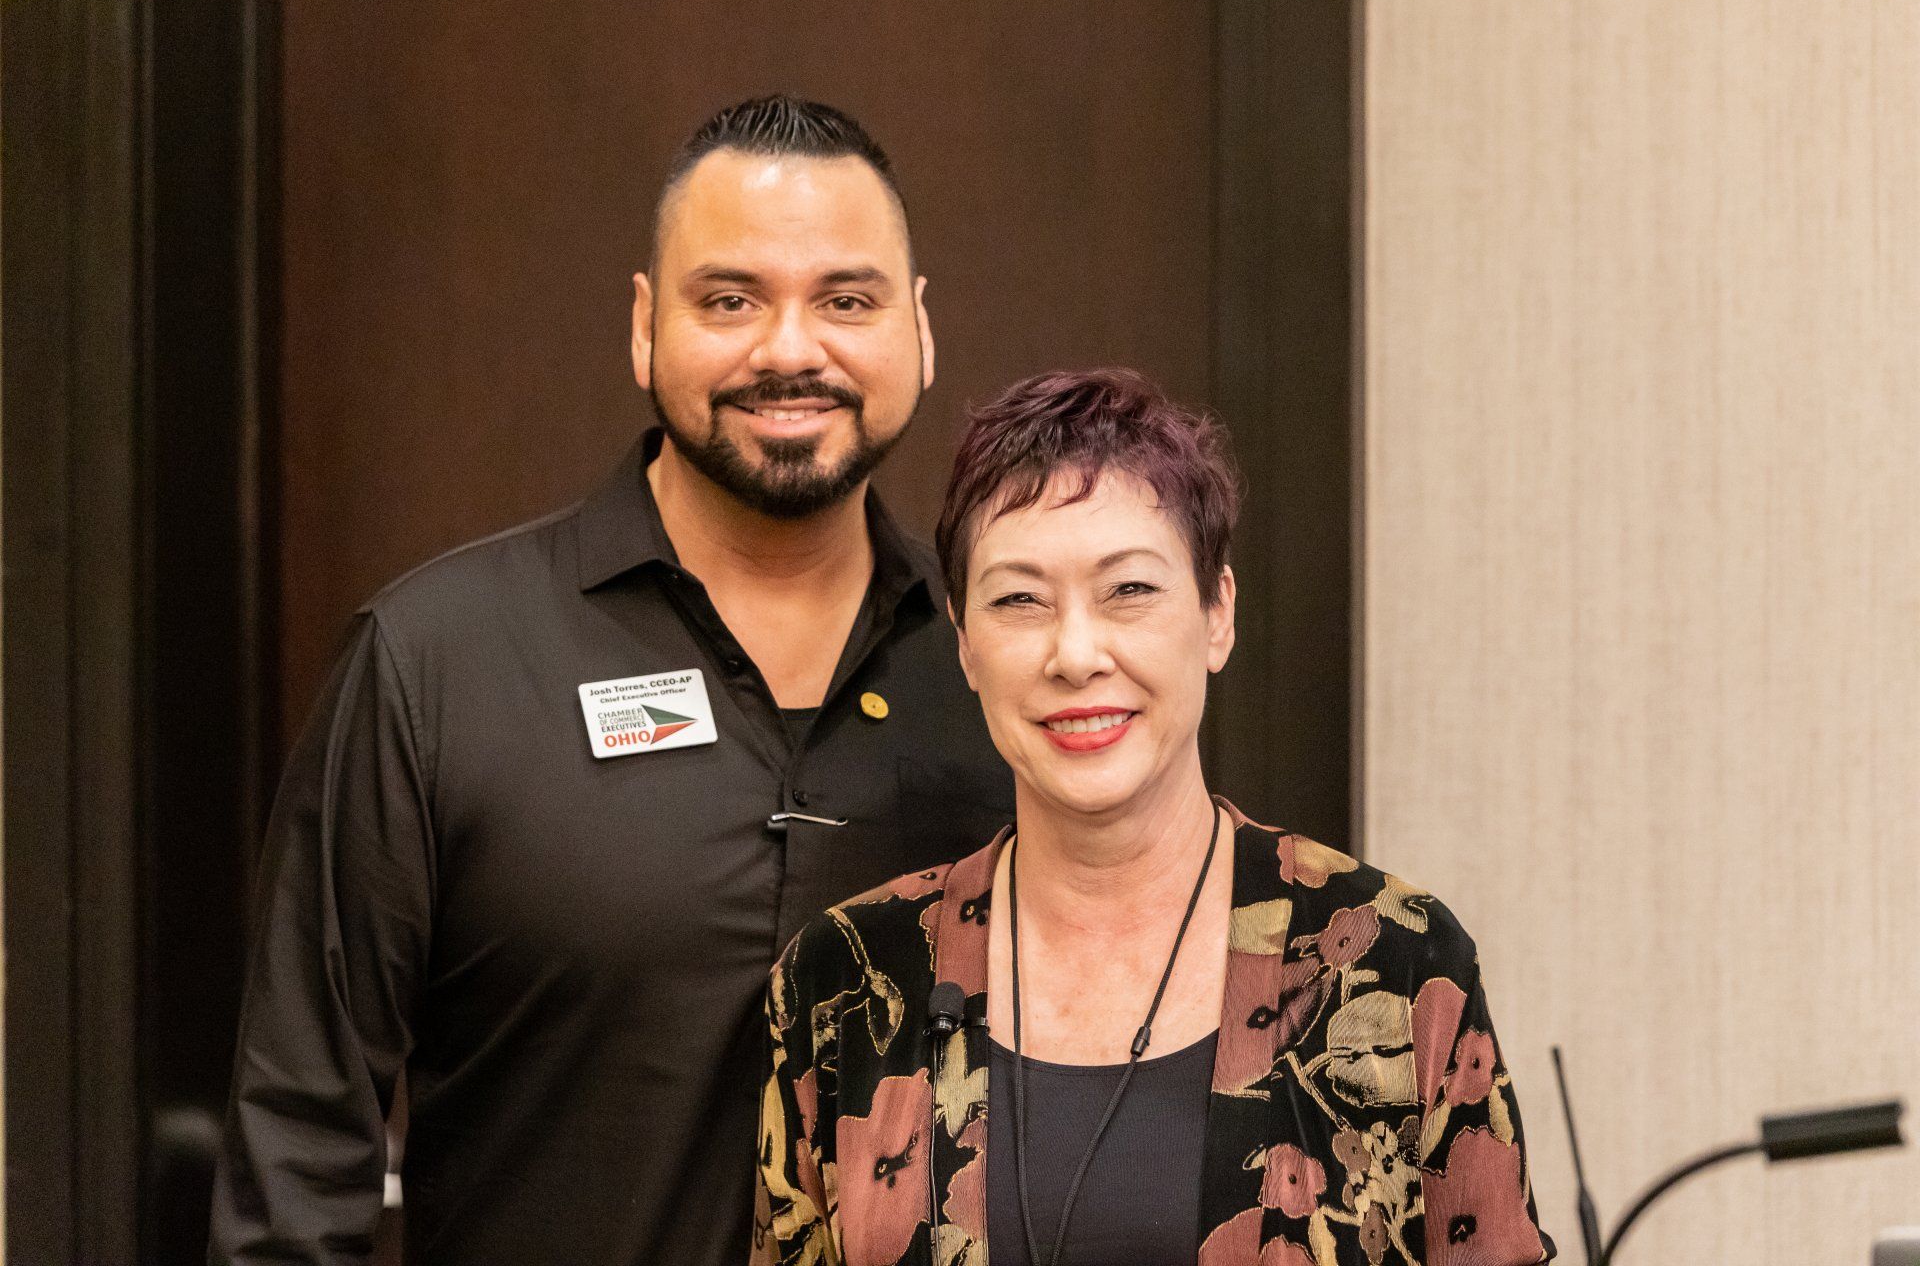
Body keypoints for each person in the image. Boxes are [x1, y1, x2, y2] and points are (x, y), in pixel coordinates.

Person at [210, 95, 1013, 1266]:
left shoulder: (1002, 677)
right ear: (645, 326)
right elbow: (295, 1163)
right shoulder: (437, 664)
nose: (791, 349)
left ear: (920, 331)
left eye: (847, 301)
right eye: (730, 300)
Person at [755, 369, 1554, 1266]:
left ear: (1218, 614)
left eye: (1129, 590)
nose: (1075, 654)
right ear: (966, 644)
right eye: (1020, 599)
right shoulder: (844, 982)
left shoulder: (1397, 958)